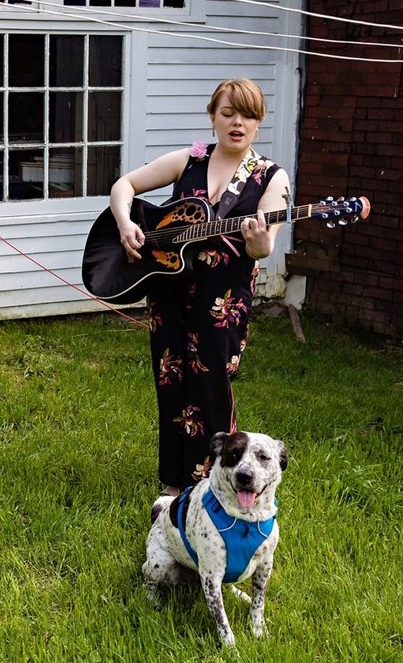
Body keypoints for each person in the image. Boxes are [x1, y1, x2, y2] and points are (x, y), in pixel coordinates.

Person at [108, 78, 291, 496]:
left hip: (222, 301)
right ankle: (173, 482)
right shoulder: (190, 160)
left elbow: (264, 248)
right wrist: (126, 224)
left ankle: (217, 483)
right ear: (213, 118)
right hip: (170, 290)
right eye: (228, 113)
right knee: (171, 380)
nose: (237, 122)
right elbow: (124, 186)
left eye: (247, 115)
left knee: (211, 386)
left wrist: (259, 238)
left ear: (259, 123)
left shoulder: (270, 178)